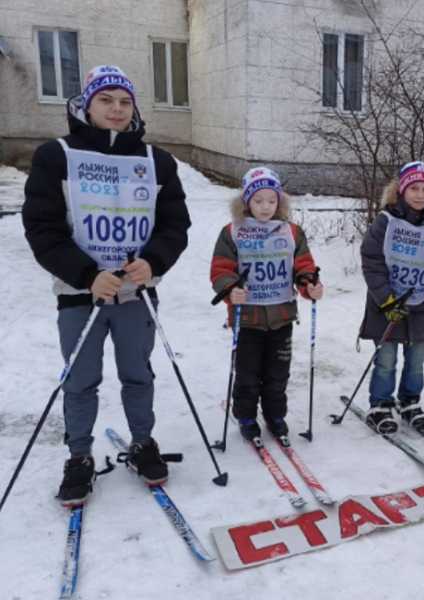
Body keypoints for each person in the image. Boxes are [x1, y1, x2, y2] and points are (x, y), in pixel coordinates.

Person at [22, 65, 191, 504]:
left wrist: (153, 262)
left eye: (124, 101)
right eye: (106, 100)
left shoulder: (156, 161)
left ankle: (142, 442)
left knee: (138, 374)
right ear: (86, 105)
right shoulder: (55, 155)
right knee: (80, 379)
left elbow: (175, 225)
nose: (116, 109)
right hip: (81, 293)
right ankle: (80, 456)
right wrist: (84, 274)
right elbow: (42, 229)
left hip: (137, 293)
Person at [210, 167, 323, 442]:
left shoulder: (291, 232)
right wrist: (230, 288)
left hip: (281, 315)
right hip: (247, 317)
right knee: (248, 373)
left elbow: (303, 265)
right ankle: (246, 414)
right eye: (258, 201)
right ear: (247, 202)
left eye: (272, 201)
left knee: (277, 373)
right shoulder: (233, 232)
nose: (265, 207)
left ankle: (275, 415)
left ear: (280, 202)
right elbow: (221, 268)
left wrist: (309, 284)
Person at [359, 161, 424, 433]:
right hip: (388, 303)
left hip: (422, 302)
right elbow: (371, 260)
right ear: (402, 190)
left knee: (416, 360)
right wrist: (386, 299)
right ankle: (380, 403)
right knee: (386, 358)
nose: (419, 194)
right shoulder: (386, 220)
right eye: (413, 187)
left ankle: (410, 400)